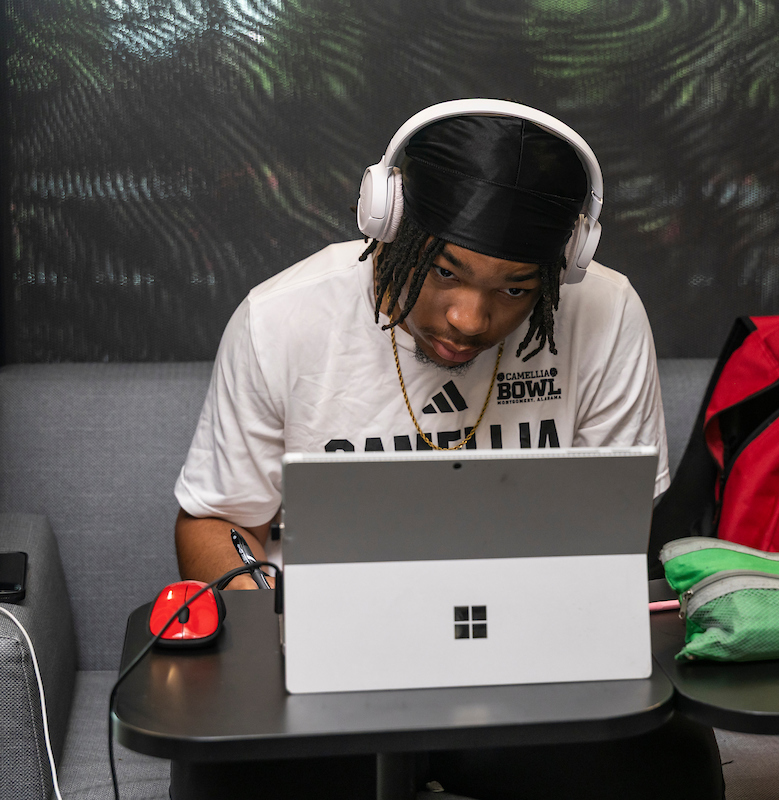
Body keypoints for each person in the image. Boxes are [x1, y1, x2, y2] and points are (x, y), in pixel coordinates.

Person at [171, 100, 724, 800]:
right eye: (444, 272)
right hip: (323, 676)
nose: (469, 318)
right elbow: (214, 521)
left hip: (530, 666)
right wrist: (281, 622)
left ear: (564, 268)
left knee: (671, 762)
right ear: (388, 223)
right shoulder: (282, 319)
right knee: (222, 778)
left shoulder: (608, 314)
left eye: (516, 289)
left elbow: (612, 529)